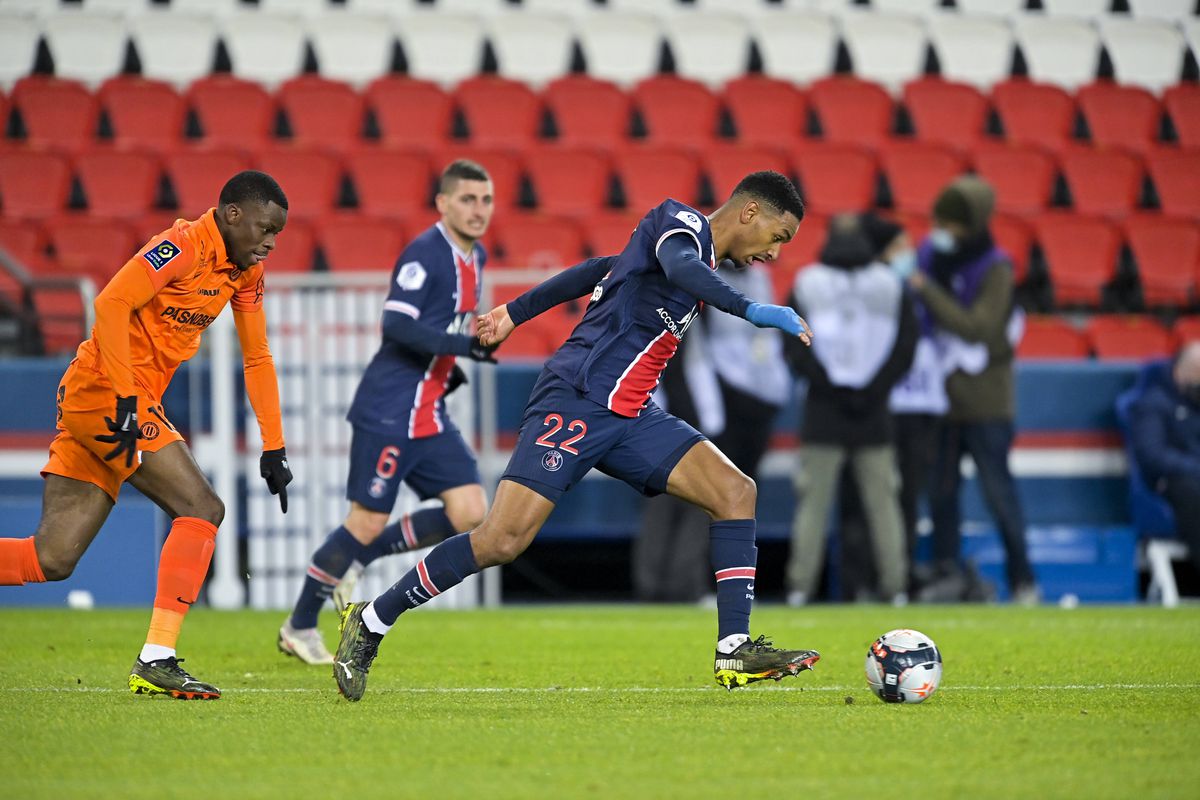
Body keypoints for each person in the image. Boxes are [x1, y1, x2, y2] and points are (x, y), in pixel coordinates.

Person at [331, 171, 819, 701]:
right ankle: (373, 619)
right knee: (501, 540)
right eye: (778, 237)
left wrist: (515, 312)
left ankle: (734, 649)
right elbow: (680, 266)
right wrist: (753, 310)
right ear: (750, 212)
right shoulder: (679, 226)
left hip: (630, 414)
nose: (774, 254)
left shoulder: (683, 259)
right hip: (578, 398)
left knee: (735, 491)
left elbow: (596, 270)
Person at [0, 171, 293, 700]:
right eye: (266, 228)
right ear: (231, 215)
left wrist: (274, 444)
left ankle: (155, 660)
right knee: (202, 508)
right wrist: (127, 397)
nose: (271, 241)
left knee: (50, 558)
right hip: (106, 394)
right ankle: (157, 659)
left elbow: (257, 356)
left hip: (121, 402)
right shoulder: (179, 246)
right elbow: (110, 304)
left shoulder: (244, 272)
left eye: (278, 232)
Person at [278, 160, 498, 665]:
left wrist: (450, 364)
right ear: (442, 203)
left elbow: (438, 327)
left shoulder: (476, 256)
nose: (478, 210)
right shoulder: (424, 254)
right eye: (467, 199)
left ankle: (365, 559)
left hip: (429, 410)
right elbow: (396, 325)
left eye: (485, 200)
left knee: (471, 511)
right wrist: (461, 346)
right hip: (390, 408)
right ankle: (299, 625)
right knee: (365, 519)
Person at [905, 175, 1037, 604]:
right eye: (941, 222)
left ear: (974, 224)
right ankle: (947, 573)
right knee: (941, 493)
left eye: (954, 225)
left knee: (998, 491)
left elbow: (979, 327)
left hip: (985, 404)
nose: (945, 234)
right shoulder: (931, 254)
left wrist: (929, 291)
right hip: (941, 401)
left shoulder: (996, 268)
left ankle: (1023, 579)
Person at [632, 260, 791, 604]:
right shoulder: (677, 321)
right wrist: (706, 421)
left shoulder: (665, 315)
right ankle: (678, 586)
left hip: (662, 419)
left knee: (669, 505)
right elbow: (687, 373)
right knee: (694, 505)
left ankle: (656, 586)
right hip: (676, 420)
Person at [783, 214, 917, 606]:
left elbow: (794, 346)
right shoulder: (890, 283)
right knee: (884, 505)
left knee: (812, 506)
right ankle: (896, 588)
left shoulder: (808, 281)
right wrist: (873, 390)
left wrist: (830, 387)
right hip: (874, 412)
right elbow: (905, 347)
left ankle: (799, 587)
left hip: (823, 410)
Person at [1129, 341, 1200, 572]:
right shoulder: (1152, 404)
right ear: (1180, 372)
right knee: (1190, 490)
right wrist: (1194, 466)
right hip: (1171, 484)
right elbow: (1152, 455)